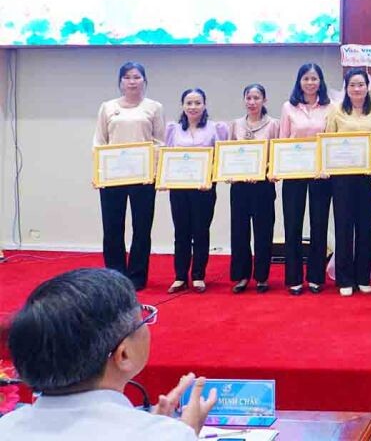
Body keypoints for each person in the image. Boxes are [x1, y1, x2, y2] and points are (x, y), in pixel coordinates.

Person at [0, 268, 216, 440]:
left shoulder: (6, 427)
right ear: (123, 355)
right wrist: (182, 433)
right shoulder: (168, 435)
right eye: (143, 320)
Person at [94, 62, 165, 290]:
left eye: (136, 77)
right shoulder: (107, 107)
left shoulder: (154, 107)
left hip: (144, 177)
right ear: (120, 82)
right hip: (112, 177)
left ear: (144, 80)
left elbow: (159, 142)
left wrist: (154, 173)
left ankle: (137, 276)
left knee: (142, 228)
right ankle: (114, 276)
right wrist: (99, 173)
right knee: (112, 228)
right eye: (127, 77)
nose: (132, 81)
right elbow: (99, 143)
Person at [326, 68, 371, 296]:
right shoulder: (336, 110)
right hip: (342, 178)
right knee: (343, 227)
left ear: (367, 87)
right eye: (352, 85)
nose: (357, 88)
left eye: (360, 84)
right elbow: (328, 141)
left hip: (367, 177)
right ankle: (344, 279)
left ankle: (363, 276)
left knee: (364, 226)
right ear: (346, 88)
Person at [163, 89, 229, 294]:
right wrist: (164, 179)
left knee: (201, 231)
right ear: (182, 105)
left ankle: (199, 275)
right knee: (181, 232)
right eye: (189, 103)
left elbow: (221, 158)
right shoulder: (173, 129)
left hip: (204, 189)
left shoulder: (216, 128)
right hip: (179, 189)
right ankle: (180, 277)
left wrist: (210, 178)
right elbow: (166, 157)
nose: (193, 107)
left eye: (197, 103)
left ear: (204, 105)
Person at [279, 63, 335, 295]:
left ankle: (315, 277)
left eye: (314, 78)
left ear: (320, 82)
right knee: (292, 224)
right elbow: (283, 139)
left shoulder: (331, 107)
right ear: (299, 81)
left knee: (319, 224)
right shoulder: (288, 107)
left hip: (321, 174)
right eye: (306, 78)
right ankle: (294, 278)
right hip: (294, 173)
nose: (310, 83)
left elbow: (331, 140)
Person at [228, 84, 280, 294]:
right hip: (239, 187)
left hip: (263, 186)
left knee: (263, 231)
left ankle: (262, 277)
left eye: (256, 98)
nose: (252, 102)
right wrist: (230, 173)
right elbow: (229, 154)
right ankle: (241, 276)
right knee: (239, 231)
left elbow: (277, 154)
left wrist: (265, 171)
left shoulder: (273, 124)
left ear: (264, 100)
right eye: (248, 98)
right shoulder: (235, 125)